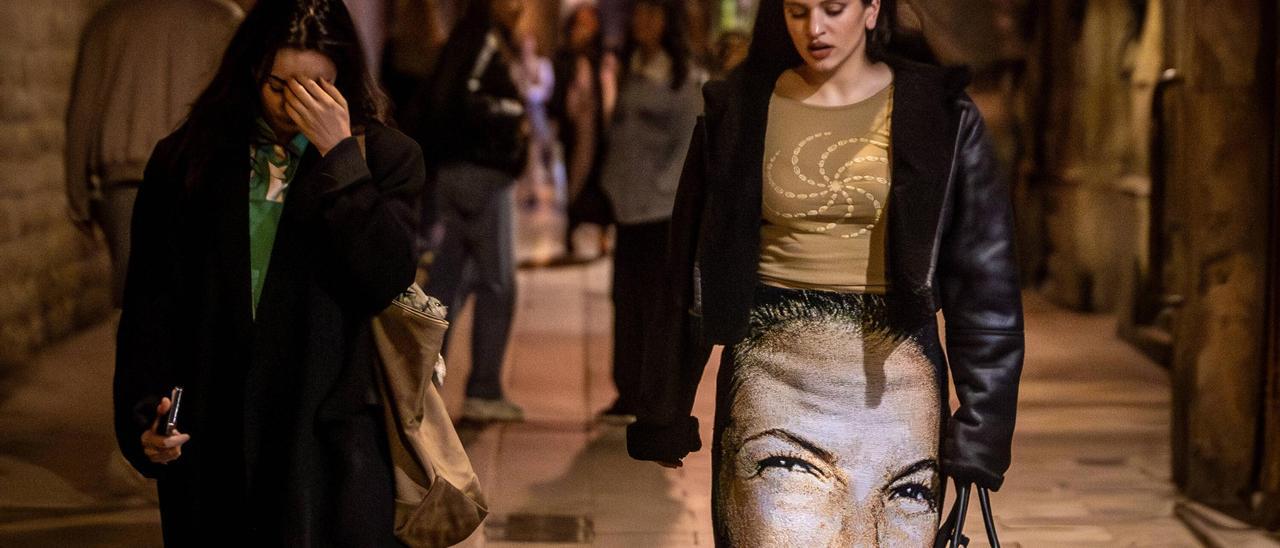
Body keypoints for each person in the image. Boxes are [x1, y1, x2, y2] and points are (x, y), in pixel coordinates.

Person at [625, 0, 1025, 545]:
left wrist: (981, 429)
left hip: (897, 383)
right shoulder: (740, 109)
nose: (814, 28)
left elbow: (985, 284)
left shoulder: (941, 116)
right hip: (772, 375)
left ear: (871, 10)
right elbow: (690, 264)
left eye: (834, 8)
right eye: (797, 11)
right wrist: (664, 410)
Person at [112, 1, 422, 544]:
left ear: (343, 79)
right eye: (279, 85)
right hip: (215, 441)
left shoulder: (385, 160)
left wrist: (340, 158)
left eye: (316, 88)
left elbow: (387, 275)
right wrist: (144, 416)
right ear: (250, 72)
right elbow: (150, 308)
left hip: (331, 445)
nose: (293, 105)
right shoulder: (188, 161)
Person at [65, 0, 246, 306]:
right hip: (200, 172)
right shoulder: (222, 18)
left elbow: (82, 109)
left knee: (135, 294)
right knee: (197, 291)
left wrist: (77, 194)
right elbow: (239, 102)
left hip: (125, 175)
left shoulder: (106, 22)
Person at [411, 0, 529, 423]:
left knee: (446, 283)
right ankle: (483, 388)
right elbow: (467, 98)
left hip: (456, 172)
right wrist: (516, 111)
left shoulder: (468, 37)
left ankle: (422, 382)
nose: (520, 7)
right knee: (498, 283)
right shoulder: (482, 40)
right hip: (481, 174)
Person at [597, 0, 704, 425]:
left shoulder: (683, 76)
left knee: (656, 304)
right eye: (638, 13)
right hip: (628, 205)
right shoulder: (632, 65)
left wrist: (670, 194)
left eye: (652, 13)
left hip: (660, 211)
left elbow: (686, 143)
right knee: (625, 299)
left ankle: (651, 395)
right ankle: (627, 389)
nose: (642, 21)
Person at [548, 3, 612, 263]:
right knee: (574, 183)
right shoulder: (564, 58)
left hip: (598, 133)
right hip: (575, 134)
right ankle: (570, 233)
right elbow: (557, 97)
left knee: (600, 181)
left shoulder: (600, 58)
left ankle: (602, 235)